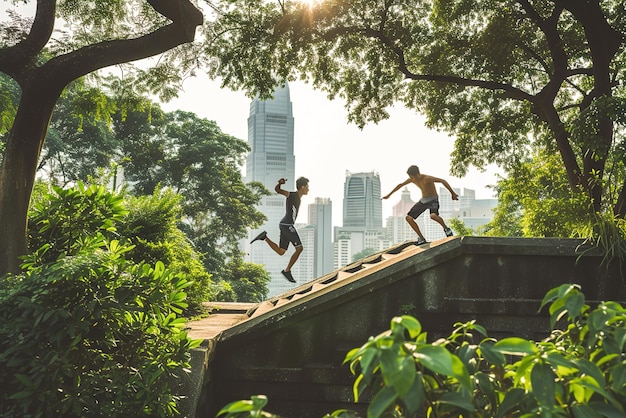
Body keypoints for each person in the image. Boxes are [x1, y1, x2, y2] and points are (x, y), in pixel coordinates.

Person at [250, 177, 310, 283]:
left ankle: (264, 237)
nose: (308, 189)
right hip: (287, 225)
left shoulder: (298, 198)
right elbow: (278, 190)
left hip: (285, 225)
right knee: (299, 248)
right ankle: (287, 271)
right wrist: (279, 183)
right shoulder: (292, 195)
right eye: (307, 187)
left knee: (281, 251)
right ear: (303, 187)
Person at [383, 165, 458, 245]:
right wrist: (389, 195)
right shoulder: (412, 179)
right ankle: (421, 238)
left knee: (433, 216)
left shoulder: (427, 178)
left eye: (413, 177)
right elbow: (400, 185)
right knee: (408, 218)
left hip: (433, 200)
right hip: (423, 201)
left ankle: (446, 229)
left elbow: (442, 181)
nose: (412, 179)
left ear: (418, 174)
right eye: (410, 177)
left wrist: (452, 193)